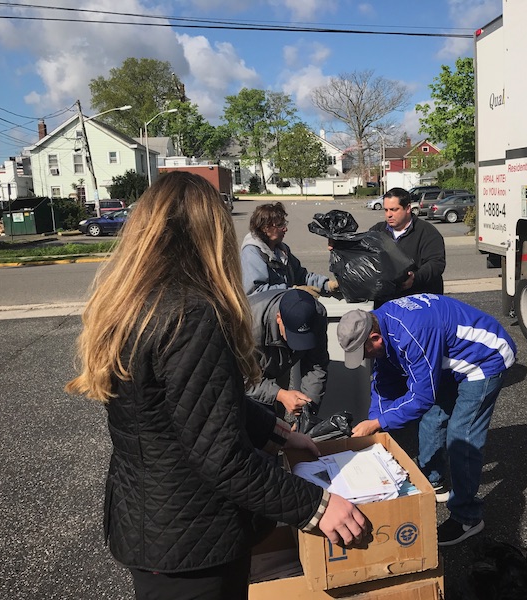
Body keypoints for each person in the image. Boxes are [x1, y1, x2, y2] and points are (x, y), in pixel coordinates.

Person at [65, 172, 367, 600]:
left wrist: (280, 433)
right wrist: (317, 507)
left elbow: (198, 408)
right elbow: (221, 456)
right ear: (211, 234)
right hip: (192, 538)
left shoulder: (137, 303)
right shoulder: (191, 315)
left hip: (153, 521)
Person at [337, 294, 516, 547]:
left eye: (363, 351)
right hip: (447, 360)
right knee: (432, 420)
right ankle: (432, 482)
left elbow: (421, 397)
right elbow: (384, 381)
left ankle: (468, 518)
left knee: (461, 437)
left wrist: (377, 425)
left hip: (485, 358)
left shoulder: (412, 333)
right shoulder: (381, 323)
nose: (365, 358)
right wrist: (375, 425)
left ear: (375, 338)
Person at [248, 288, 329, 419]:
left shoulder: (316, 315)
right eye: (293, 336)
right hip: (248, 372)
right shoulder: (247, 324)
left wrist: (307, 414)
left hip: (278, 363)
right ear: (279, 318)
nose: (299, 344)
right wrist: (280, 394)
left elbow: (316, 365)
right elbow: (242, 378)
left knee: (280, 425)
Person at [241, 201, 339, 297]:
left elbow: (301, 276)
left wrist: (327, 285)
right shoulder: (252, 252)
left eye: (285, 224)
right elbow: (256, 292)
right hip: (264, 310)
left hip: (283, 306)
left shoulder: (282, 250)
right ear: (265, 228)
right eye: (280, 225)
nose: (285, 229)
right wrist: (292, 292)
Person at [368, 187, 446, 306]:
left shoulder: (427, 232)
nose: (389, 215)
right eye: (386, 210)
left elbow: (436, 263)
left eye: (394, 210)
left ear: (408, 208)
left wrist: (415, 278)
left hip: (420, 304)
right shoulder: (377, 231)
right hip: (386, 304)